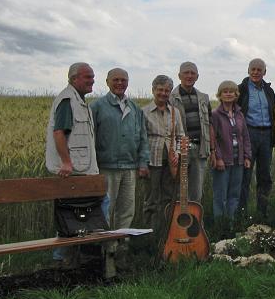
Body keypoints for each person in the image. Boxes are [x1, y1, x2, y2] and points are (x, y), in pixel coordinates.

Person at [91, 68, 149, 265]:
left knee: (126, 211)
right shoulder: (98, 106)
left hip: (130, 168)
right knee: (107, 212)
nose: (120, 83)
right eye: (116, 80)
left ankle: (121, 254)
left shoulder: (134, 108)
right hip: (107, 168)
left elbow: (143, 138)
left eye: (123, 80)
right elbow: (91, 138)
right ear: (107, 82)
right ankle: (106, 256)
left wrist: (142, 163)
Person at [143, 75, 185, 247]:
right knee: (151, 200)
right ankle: (148, 238)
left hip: (171, 162)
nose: (163, 93)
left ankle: (167, 236)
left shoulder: (175, 112)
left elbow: (181, 135)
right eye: (160, 90)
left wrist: (179, 156)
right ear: (153, 90)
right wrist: (142, 162)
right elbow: (140, 138)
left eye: (167, 90)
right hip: (151, 160)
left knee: (169, 200)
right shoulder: (144, 112)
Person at [237, 58, 275, 217]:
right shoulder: (241, 89)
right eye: (253, 69)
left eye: (259, 70)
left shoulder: (269, 90)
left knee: (265, 176)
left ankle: (262, 214)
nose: (256, 72)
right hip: (248, 134)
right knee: (245, 175)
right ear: (248, 71)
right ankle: (242, 214)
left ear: (264, 72)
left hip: (266, 135)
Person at [45, 62, 99, 178]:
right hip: (71, 173)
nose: (92, 81)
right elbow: (59, 132)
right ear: (74, 79)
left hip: (81, 170)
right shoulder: (67, 100)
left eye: (93, 77)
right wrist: (66, 163)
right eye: (88, 77)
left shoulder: (79, 101)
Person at [170, 61, 213, 203]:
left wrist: (212, 149)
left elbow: (210, 125)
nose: (189, 76)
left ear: (197, 76)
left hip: (199, 149)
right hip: (180, 150)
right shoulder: (171, 98)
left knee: (196, 193)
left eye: (192, 73)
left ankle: (196, 224)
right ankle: (178, 224)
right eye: (186, 73)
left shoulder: (203, 98)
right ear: (179, 75)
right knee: (179, 192)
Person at [211, 81, 252, 219]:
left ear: (236, 94)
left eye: (231, 91)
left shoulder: (239, 114)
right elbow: (213, 138)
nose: (228, 94)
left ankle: (231, 226)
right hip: (223, 161)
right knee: (220, 196)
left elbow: (245, 136)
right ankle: (220, 228)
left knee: (234, 195)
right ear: (220, 95)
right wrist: (218, 158)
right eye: (225, 91)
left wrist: (247, 156)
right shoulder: (215, 114)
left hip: (238, 160)